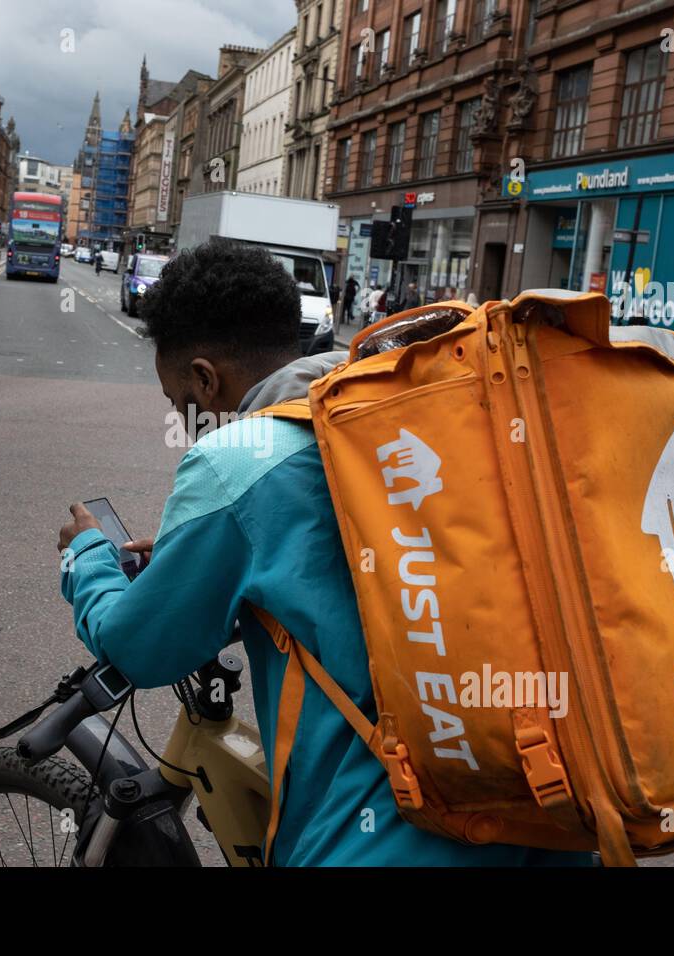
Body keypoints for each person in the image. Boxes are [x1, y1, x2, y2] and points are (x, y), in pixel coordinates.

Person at [56, 239, 591, 867]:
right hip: (551, 811)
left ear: (205, 377)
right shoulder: (395, 415)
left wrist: (88, 558)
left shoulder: (239, 462)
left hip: (385, 842)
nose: (185, 419)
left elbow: (137, 647)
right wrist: (197, 568)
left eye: (182, 404)